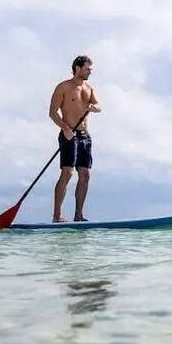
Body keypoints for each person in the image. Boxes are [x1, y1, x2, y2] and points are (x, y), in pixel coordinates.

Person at [48, 55, 101, 222]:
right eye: (87, 69)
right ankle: (57, 216)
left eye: (90, 70)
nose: (89, 73)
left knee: (85, 174)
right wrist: (65, 129)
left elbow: (98, 106)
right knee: (67, 173)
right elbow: (52, 112)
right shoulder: (63, 87)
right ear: (77, 68)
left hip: (85, 136)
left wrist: (94, 107)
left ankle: (79, 215)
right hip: (68, 134)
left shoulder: (89, 88)